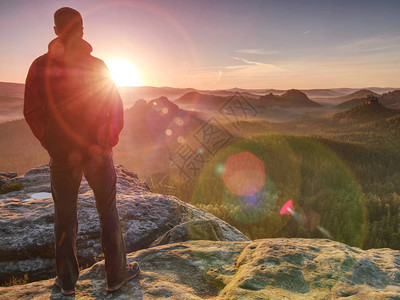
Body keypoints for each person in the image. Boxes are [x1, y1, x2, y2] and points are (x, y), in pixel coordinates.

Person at [23, 7, 139, 295]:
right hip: (97, 153)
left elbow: (31, 111)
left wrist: (51, 141)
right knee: (108, 212)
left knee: (64, 216)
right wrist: (106, 141)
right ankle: (116, 278)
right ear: (82, 29)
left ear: (55, 31)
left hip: (62, 155)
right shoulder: (98, 65)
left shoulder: (39, 65)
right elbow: (114, 106)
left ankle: (65, 283)